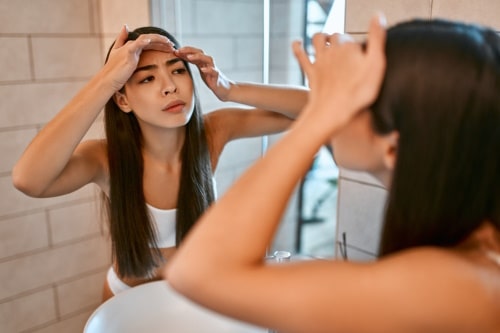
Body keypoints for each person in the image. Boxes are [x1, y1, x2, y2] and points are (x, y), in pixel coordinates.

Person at [166, 14, 500, 333]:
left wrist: (319, 116)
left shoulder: (452, 287)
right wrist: (230, 89)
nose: (331, 104)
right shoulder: (476, 254)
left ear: (394, 148)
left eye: (352, 98)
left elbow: (198, 272)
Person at [11, 25, 308, 301]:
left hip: (194, 290)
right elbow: (29, 180)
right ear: (122, 100)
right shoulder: (105, 158)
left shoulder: (212, 133)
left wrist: (229, 88)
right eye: (147, 77)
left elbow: (316, 106)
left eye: (178, 71)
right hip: (126, 299)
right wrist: (106, 80)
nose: (170, 87)